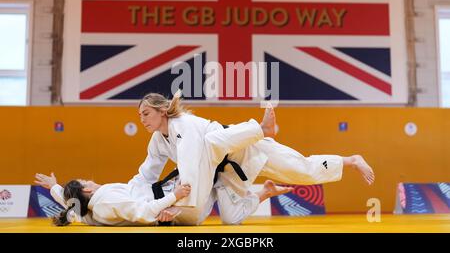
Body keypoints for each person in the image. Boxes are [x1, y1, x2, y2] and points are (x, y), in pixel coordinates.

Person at [132, 91, 375, 225]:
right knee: (230, 219)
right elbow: (146, 173)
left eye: (146, 113)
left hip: (249, 149)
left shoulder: (182, 125)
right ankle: (264, 192)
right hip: (224, 172)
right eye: (140, 115)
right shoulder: (157, 140)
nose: (142, 119)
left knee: (304, 170)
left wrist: (177, 203)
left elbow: (189, 167)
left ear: (162, 111)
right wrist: (131, 196)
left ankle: (352, 160)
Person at [34, 172, 293, 226]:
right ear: (87, 190)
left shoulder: (87, 209)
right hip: (177, 208)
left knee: (228, 210)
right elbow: (145, 211)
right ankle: (257, 191)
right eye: (87, 181)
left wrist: (55, 187)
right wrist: (174, 195)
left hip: (175, 206)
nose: (91, 180)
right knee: (219, 180)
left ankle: (260, 193)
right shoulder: (107, 200)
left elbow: (71, 205)